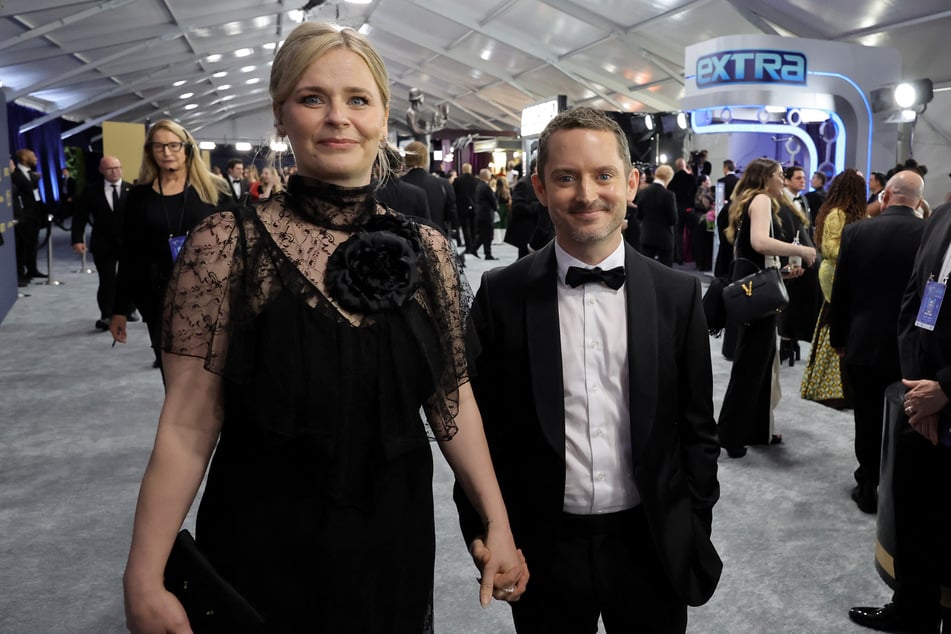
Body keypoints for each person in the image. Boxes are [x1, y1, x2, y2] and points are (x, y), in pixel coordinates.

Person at [122, 22, 526, 633]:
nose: (338, 117)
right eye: (314, 98)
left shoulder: (429, 251)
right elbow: (187, 423)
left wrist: (496, 520)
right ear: (281, 116)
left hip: (393, 534)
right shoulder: (228, 245)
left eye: (357, 99)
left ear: (384, 117)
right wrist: (143, 576)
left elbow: (452, 397)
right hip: (264, 532)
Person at [454, 106, 722, 633]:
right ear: (539, 186)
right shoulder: (501, 294)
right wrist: (485, 530)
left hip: (650, 540)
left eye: (603, 175)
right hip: (543, 543)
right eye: (565, 178)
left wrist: (693, 526)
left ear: (632, 183)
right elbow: (477, 430)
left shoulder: (677, 294)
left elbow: (697, 429)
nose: (586, 194)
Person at [849, 200, 951, 634]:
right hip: (920, 397)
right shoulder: (942, 216)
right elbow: (916, 298)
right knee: (915, 508)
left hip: (944, 392)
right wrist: (917, 385)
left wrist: (946, 388)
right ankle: (913, 607)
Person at [828, 170, 926, 514]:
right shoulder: (929, 234)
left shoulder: (856, 232)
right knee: (907, 419)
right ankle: (900, 485)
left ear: (885, 195)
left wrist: (837, 337)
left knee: (866, 415)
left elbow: (841, 292)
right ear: (919, 201)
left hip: (863, 341)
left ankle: (868, 483)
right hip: (911, 347)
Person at [109, 119, 233, 370]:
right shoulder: (139, 197)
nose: (167, 153)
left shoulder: (215, 189)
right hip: (158, 296)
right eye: (159, 146)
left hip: (211, 294)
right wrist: (119, 309)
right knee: (173, 371)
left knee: (214, 372)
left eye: (174, 145)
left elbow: (237, 242)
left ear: (187, 147)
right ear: (150, 151)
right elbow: (130, 255)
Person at [717, 158, 817, 458]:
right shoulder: (760, 199)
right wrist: (801, 250)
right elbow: (760, 243)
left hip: (752, 293)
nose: (783, 180)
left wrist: (784, 272)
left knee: (757, 364)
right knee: (751, 366)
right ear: (766, 178)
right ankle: (731, 433)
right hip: (754, 299)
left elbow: (751, 253)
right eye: (779, 175)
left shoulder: (750, 200)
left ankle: (754, 430)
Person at [799, 169, 868, 407]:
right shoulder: (837, 215)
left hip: (850, 275)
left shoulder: (857, 214)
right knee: (835, 321)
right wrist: (861, 253)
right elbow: (829, 249)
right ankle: (830, 387)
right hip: (834, 275)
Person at [71, 156, 134, 331]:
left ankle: (129, 309)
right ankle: (107, 315)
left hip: (129, 243)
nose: (114, 171)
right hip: (103, 243)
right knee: (107, 280)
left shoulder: (133, 190)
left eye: (117, 167)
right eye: (109, 168)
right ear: (101, 170)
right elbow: (80, 217)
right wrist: (77, 239)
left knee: (130, 278)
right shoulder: (91, 191)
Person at [11, 148, 46, 286]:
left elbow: (35, 194)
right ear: (24, 158)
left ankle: (32, 269)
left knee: (32, 243)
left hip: (34, 215)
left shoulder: (32, 175)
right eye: (32, 155)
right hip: (23, 217)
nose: (36, 158)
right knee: (22, 245)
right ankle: (20, 272)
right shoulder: (15, 175)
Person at [635, 163, 677, 266]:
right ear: (668, 178)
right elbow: (673, 220)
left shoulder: (643, 192)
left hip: (647, 236)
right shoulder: (669, 195)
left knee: (645, 270)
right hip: (664, 238)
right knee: (666, 273)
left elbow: (639, 215)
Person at [504, 159, 543, 259]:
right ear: (535, 168)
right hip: (526, 230)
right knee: (525, 261)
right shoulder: (524, 183)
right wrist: (538, 205)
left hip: (536, 230)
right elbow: (517, 207)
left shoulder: (541, 181)